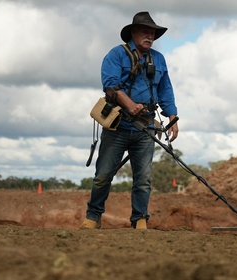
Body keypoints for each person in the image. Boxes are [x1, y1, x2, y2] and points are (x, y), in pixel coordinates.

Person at [80, 11, 179, 230]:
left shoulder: (159, 59)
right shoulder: (116, 55)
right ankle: (92, 217)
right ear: (133, 33)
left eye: (152, 33)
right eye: (145, 31)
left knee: (143, 180)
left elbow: (165, 89)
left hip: (146, 128)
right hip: (118, 126)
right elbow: (111, 85)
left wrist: (172, 115)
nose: (150, 36)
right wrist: (129, 105)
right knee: (103, 176)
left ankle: (140, 220)